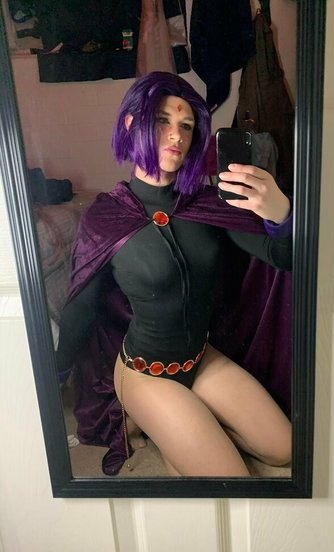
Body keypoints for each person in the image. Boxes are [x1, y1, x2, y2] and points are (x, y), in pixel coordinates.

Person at [57, 71, 292, 477]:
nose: (176, 135)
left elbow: (280, 259)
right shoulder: (105, 217)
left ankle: (181, 431)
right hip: (145, 374)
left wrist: (281, 216)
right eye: (162, 120)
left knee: (283, 449)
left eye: (186, 126)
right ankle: (165, 424)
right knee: (232, 479)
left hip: (201, 359)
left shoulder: (208, 203)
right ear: (132, 124)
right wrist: (55, 372)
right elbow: (81, 308)